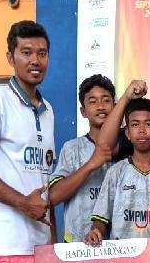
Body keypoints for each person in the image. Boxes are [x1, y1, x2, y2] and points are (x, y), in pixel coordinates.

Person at [0, 20, 55, 255]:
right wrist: (23, 202)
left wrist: (52, 240)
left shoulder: (48, 110)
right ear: (10, 58)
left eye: (42, 53)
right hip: (4, 242)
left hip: (40, 243)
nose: (35, 60)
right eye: (26, 52)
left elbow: (45, 179)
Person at [85, 98, 150, 246]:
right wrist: (96, 230)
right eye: (135, 124)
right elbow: (100, 218)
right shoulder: (116, 172)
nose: (141, 130)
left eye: (148, 124)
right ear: (127, 133)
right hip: (122, 253)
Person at [49, 75, 118, 242]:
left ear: (115, 107)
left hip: (120, 245)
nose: (100, 106)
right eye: (93, 101)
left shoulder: (128, 146)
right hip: (77, 245)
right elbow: (54, 196)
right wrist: (91, 164)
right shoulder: (72, 148)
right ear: (83, 111)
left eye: (106, 100)